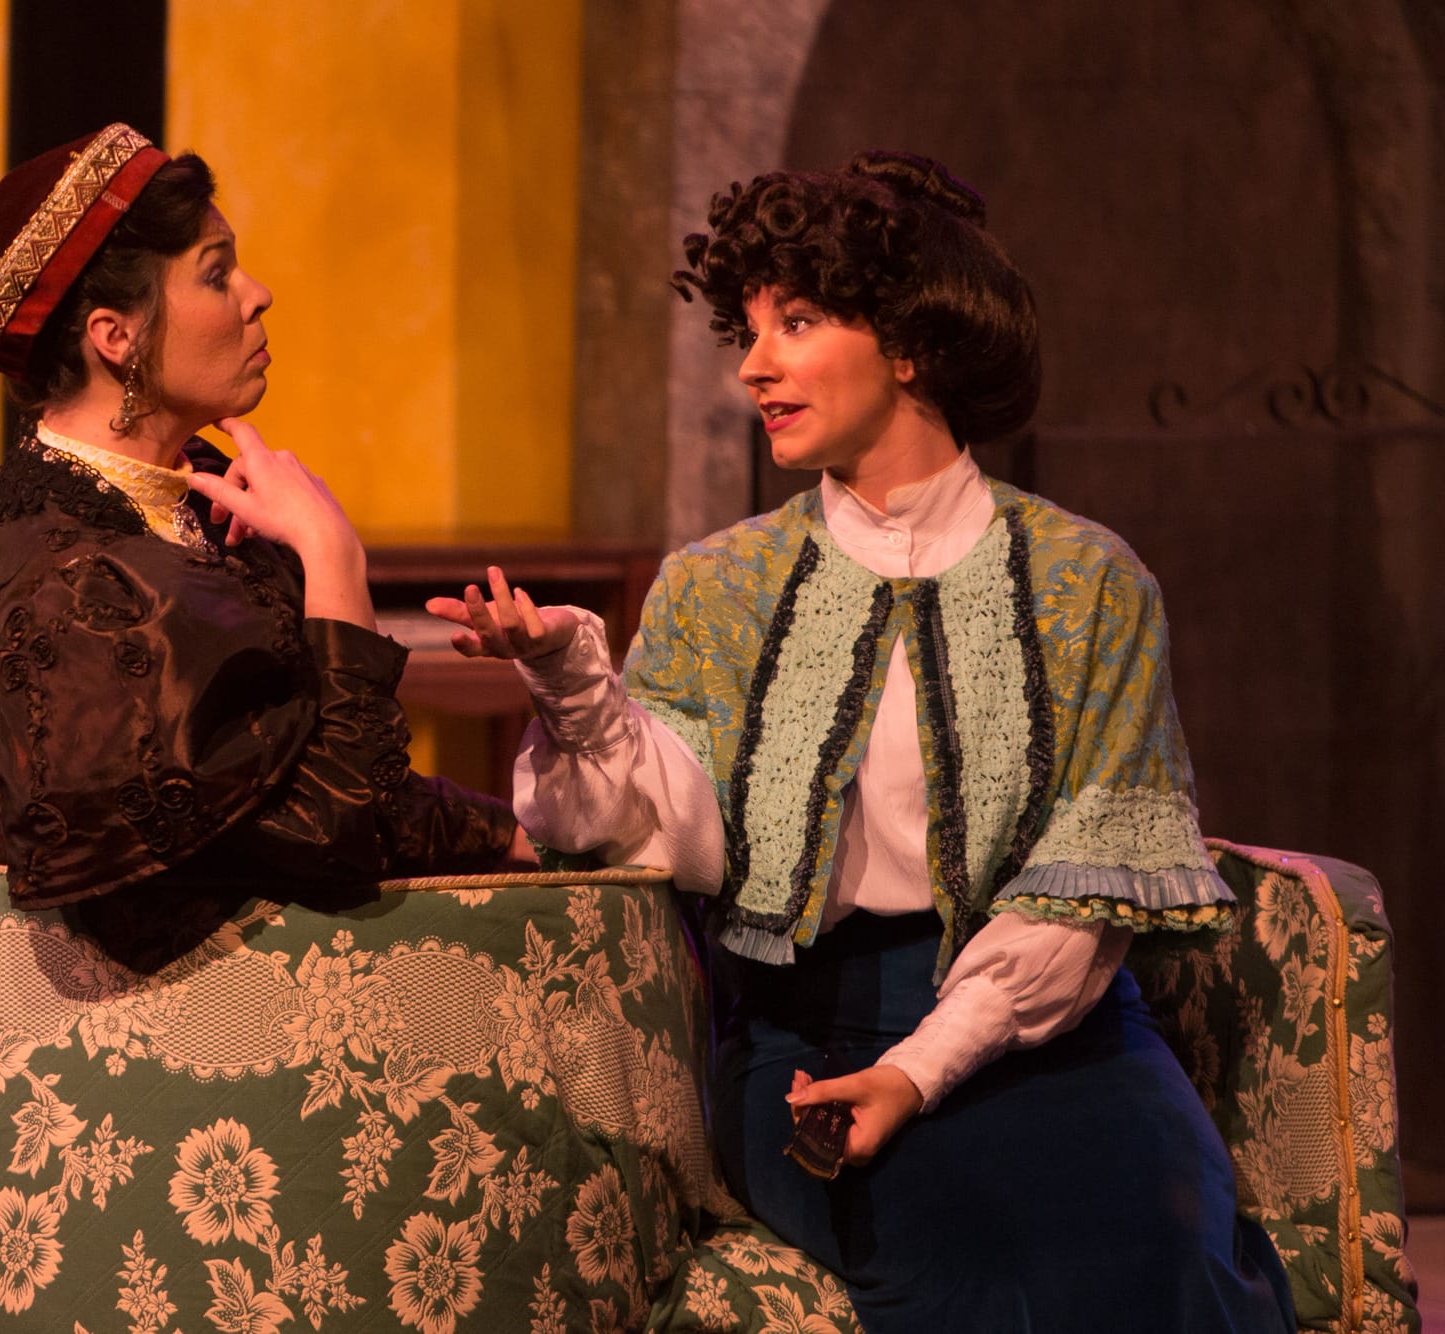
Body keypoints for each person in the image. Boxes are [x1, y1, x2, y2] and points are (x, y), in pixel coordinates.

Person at [428, 151, 1295, 1331]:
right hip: (810, 1038)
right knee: (981, 1278)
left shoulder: (1089, 583)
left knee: (1176, 1253)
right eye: (744, 328)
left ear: (908, 344)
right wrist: (568, 680)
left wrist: (924, 1066)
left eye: (794, 320)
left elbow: (1076, 903)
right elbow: (658, 829)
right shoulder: (717, 587)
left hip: (1053, 1037)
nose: (753, 364)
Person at [0, 123, 521, 1333]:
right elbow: (322, 827)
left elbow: (298, 788)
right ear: (116, 337)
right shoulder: (70, 572)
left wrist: (522, 831)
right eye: (215, 270)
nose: (254, 294)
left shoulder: (183, 520)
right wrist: (335, 569)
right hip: (108, 1118)